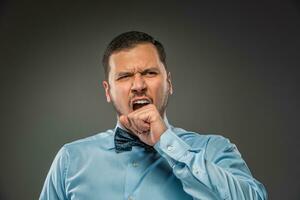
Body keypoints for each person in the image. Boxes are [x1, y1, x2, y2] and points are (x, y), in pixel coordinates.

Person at [39, 31, 268, 200]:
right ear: (108, 91)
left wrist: (167, 143)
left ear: (169, 83)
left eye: (149, 73)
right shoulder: (70, 159)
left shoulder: (214, 149)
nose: (138, 85)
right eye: (125, 76)